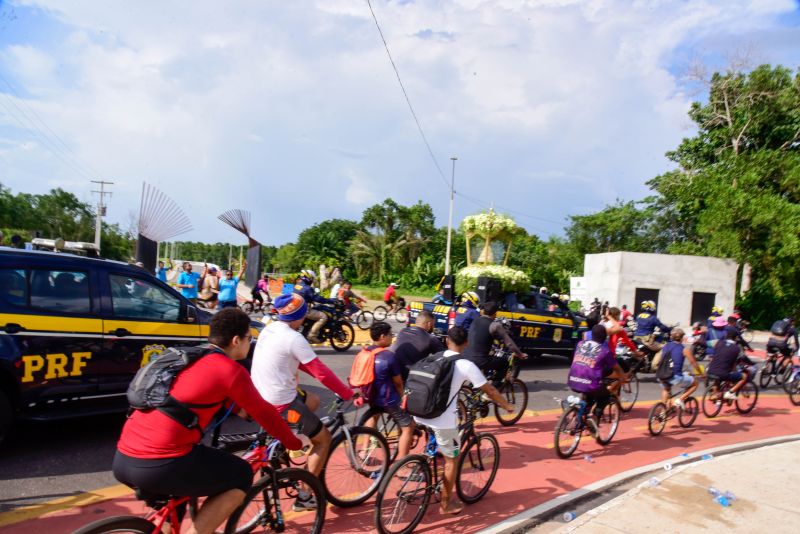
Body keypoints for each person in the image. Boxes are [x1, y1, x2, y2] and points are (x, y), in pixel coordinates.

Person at [112, 308, 305, 534]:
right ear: (236, 340)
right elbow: (265, 413)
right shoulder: (229, 370)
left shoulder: (191, 357)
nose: (249, 344)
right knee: (241, 475)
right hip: (162, 463)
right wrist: (294, 443)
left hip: (124, 459)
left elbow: (194, 396)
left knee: (178, 502)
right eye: (248, 339)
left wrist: (238, 410)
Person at [251, 293, 354, 509]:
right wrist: (346, 393)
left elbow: (300, 363)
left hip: (258, 396)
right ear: (301, 315)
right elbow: (322, 373)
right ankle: (305, 496)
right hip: (281, 403)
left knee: (313, 400)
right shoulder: (294, 338)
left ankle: (286, 442)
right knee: (323, 439)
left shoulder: (270, 328)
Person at [413, 326, 514, 515]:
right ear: (466, 343)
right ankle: (446, 505)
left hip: (418, 412)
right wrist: (507, 406)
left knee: (436, 444)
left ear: (446, 341)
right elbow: (489, 390)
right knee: (452, 459)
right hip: (442, 420)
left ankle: (425, 464)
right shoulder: (465, 365)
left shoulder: (436, 356)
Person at [362, 321, 416, 460]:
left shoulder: (366, 352)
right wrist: (403, 399)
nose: (392, 337)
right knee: (408, 426)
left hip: (371, 396)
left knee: (373, 418)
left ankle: (364, 451)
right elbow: (398, 383)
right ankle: (402, 464)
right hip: (388, 400)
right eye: (390, 335)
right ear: (382, 337)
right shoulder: (389, 357)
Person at [567, 324, 626, 423]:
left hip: (572, 380)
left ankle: (580, 421)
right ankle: (594, 417)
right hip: (590, 383)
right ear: (604, 337)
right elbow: (617, 368)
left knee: (589, 394)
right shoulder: (605, 350)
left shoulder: (580, 344)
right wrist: (623, 377)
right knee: (605, 396)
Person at [462, 301, 527, 388]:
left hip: (465, 356)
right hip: (480, 360)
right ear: (495, 313)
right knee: (504, 364)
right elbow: (509, 344)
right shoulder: (495, 325)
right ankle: (491, 393)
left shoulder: (475, 320)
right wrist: (520, 354)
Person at [391, 310, 445, 380]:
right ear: (429, 324)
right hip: (410, 378)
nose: (433, 327)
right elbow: (443, 358)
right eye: (433, 325)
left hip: (394, 373)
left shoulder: (402, 331)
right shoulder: (431, 339)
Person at [658, 328, 703, 409]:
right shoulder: (684, 349)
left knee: (666, 389)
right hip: (675, 376)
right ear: (682, 338)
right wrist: (701, 373)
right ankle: (680, 399)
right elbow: (694, 363)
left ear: (671, 337)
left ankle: (663, 412)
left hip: (662, 374)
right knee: (695, 383)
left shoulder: (666, 346)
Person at [706, 329, 755, 400]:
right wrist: (751, 363)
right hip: (724, 373)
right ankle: (730, 392)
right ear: (735, 338)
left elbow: (706, 343)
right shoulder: (736, 348)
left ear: (726, 336)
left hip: (710, 370)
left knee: (717, 378)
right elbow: (740, 360)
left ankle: (715, 394)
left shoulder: (718, 342)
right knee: (744, 376)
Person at [293, 269, 335, 344]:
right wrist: (330, 300)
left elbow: (304, 296)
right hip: (304, 310)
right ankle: (312, 335)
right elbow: (317, 298)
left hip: (296, 308)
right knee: (323, 317)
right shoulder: (307, 288)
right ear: (308, 278)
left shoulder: (297, 286)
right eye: (311, 278)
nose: (312, 280)